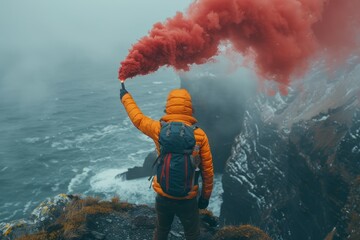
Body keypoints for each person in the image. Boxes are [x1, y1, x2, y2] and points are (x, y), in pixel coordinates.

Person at [120, 86, 214, 240]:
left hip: (163, 195)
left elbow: (137, 118)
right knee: (192, 234)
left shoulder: (158, 129)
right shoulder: (199, 135)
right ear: (189, 108)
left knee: (162, 230)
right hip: (188, 198)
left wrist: (125, 96)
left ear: (168, 107)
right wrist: (205, 198)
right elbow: (208, 171)